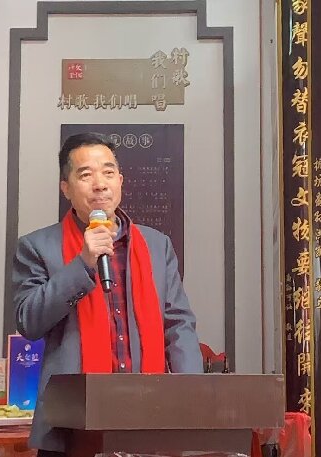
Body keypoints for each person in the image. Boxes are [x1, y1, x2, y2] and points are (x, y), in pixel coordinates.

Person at [12, 132, 203, 456]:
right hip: (71, 425)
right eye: (86, 175)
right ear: (66, 188)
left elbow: (178, 324)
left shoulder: (157, 246)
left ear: (120, 181)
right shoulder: (37, 247)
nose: (100, 184)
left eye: (108, 172)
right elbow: (29, 321)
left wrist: (193, 398)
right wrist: (82, 264)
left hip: (148, 417)